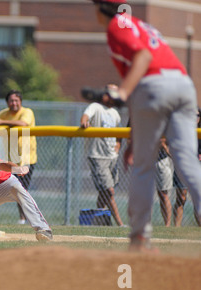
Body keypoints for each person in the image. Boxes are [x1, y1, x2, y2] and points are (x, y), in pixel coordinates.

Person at [90, 0, 201, 251]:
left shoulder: (117, 25)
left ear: (102, 8)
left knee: (143, 166)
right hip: (183, 85)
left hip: (154, 84)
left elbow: (143, 57)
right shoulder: (140, 24)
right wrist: (134, 135)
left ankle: (140, 238)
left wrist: (121, 93)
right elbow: (137, 77)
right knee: (187, 160)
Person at [0, 90, 38, 224]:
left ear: (20, 101)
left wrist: (0, 122)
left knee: (21, 189)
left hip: (26, 159)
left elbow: (23, 124)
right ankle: (22, 218)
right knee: (14, 188)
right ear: (7, 102)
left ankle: (25, 218)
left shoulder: (27, 112)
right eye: (11, 101)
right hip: (10, 159)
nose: (14, 103)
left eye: (16, 100)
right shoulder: (5, 113)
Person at [80, 101, 124, 226]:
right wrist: (84, 122)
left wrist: (118, 144)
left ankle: (99, 221)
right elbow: (85, 117)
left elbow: (120, 130)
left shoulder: (115, 112)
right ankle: (120, 224)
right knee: (109, 190)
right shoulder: (95, 106)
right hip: (97, 155)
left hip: (112, 156)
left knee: (104, 191)